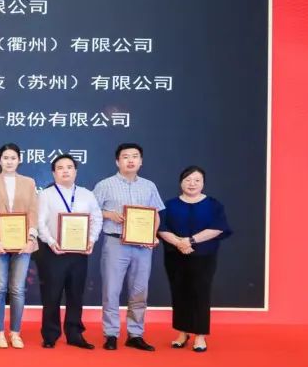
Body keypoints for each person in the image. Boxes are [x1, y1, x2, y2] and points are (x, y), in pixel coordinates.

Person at [92, 143, 165, 351]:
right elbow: (91, 211)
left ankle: (135, 334)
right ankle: (111, 334)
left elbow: (156, 214)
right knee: (111, 290)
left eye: (135, 156)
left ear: (141, 161)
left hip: (142, 245)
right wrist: (108, 214)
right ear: (118, 161)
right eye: (125, 157)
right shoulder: (105, 185)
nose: (130, 160)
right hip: (115, 242)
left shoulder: (149, 186)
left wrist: (152, 235)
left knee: (140, 290)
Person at [157, 166, 232, 353]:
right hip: (175, 256)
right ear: (181, 182)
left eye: (197, 180)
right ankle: (182, 332)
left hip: (204, 256)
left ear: (203, 183)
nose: (192, 184)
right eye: (188, 180)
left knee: (200, 293)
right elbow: (161, 228)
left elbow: (218, 228)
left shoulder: (213, 204)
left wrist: (190, 240)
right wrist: (179, 243)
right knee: (179, 293)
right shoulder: (169, 205)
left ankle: (200, 335)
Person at [35, 154, 103, 349]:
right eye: (60, 168)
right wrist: (51, 242)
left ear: (75, 171)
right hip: (53, 252)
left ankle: (75, 334)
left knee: (75, 294)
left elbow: (97, 218)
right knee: (52, 295)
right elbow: (40, 222)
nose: (65, 171)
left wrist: (91, 240)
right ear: (53, 173)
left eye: (69, 167)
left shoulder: (86, 194)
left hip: (79, 253)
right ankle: (50, 334)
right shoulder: (46, 195)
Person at [0, 143, 38, 348]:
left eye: (13, 158)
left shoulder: (29, 182)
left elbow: (33, 211)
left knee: (17, 289)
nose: (9, 161)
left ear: (19, 160)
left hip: (23, 243)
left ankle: (15, 333)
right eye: (5, 158)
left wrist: (30, 239)